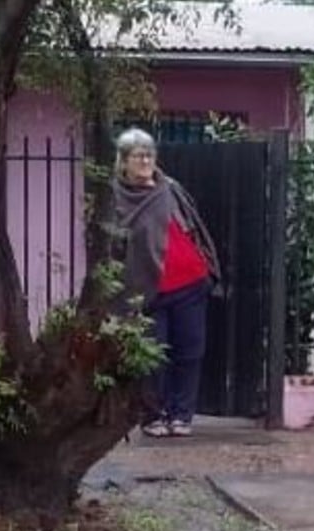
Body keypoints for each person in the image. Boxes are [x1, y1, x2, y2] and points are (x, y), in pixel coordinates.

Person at [111, 128, 222, 438]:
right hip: (147, 290)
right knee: (151, 357)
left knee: (189, 351)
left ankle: (181, 415)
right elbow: (113, 245)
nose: (146, 161)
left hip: (190, 283)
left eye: (150, 155)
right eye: (139, 156)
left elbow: (194, 225)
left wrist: (207, 266)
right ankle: (152, 416)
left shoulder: (170, 188)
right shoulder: (116, 197)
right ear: (124, 161)